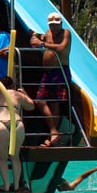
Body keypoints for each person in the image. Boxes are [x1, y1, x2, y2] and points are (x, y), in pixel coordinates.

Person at [30, 11, 72, 146]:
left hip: (59, 70)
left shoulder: (66, 33)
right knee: (40, 100)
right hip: (47, 73)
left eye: (56, 24)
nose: (54, 27)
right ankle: (54, 131)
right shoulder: (47, 32)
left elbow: (61, 48)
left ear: (61, 23)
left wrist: (42, 44)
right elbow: (42, 38)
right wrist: (36, 37)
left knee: (54, 102)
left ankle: (53, 133)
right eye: (51, 24)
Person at [0, 76, 35, 192]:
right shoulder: (17, 94)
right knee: (15, 157)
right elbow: (31, 106)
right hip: (17, 122)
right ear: (13, 85)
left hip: (0, 122)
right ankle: (16, 186)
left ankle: (6, 185)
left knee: (2, 158)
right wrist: (24, 93)